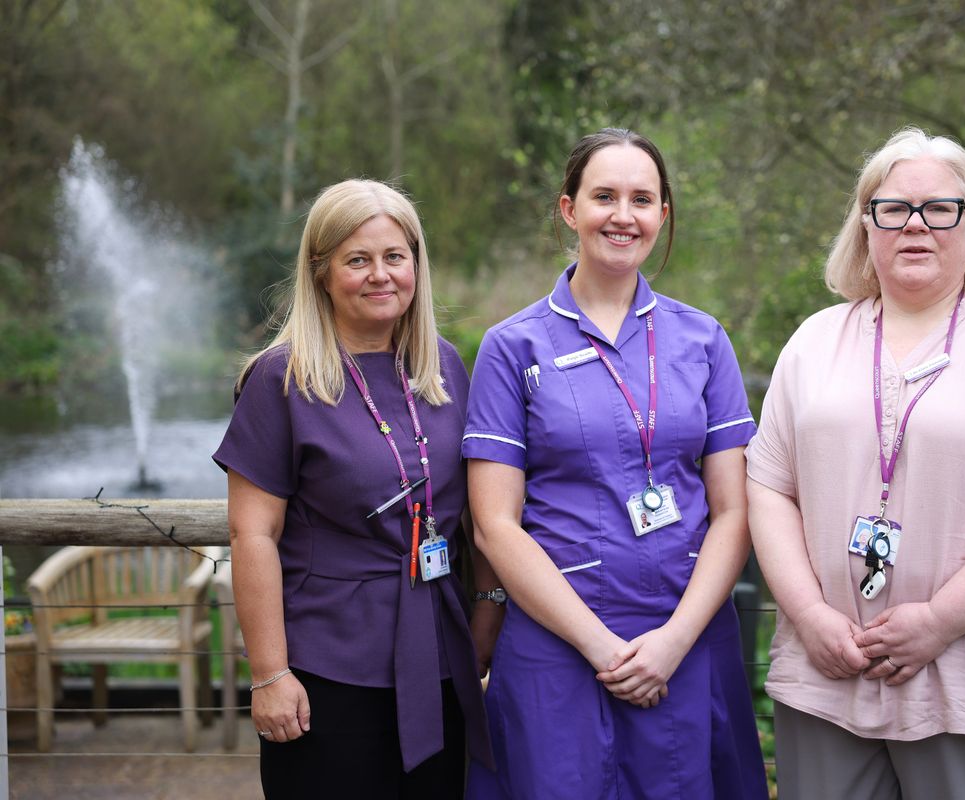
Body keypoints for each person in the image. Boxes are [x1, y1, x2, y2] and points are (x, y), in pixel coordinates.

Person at [746, 127, 965, 800]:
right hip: (830, 680)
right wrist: (810, 616)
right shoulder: (813, 342)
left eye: (941, 208)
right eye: (893, 209)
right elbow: (769, 489)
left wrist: (938, 622)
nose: (916, 226)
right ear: (865, 225)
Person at [462, 128, 768, 799]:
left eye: (642, 199)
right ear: (569, 209)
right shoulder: (512, 347)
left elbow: (733, 511)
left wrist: (674, 641)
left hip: (685, 644)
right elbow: (494, 526)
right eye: (604, 196)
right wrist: (601, 647)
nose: (622, 215)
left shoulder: (703, 339)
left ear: (663, 215)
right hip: (557, 649)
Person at [212, 179, 496, 798]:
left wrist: (486, 617)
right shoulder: (280, 379)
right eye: (357, 260)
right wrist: (268, 675)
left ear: (416, 265)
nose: (380, 275)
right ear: (321, 272)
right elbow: (251, 533)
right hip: (324, 671)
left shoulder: (442, 365)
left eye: (395, 257)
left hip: (440, 655)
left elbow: (479, 514)